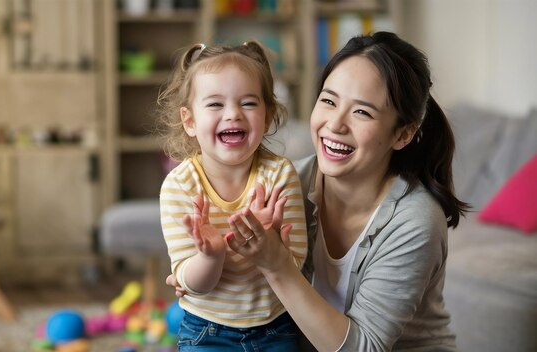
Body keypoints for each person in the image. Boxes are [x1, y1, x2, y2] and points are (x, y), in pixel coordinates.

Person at [173, 31, 469, 351]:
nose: (335, 124)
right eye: (328, 100)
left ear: (402, 134)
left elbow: (363, 347)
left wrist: (277, 265)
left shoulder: (415, 220)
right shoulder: (287, 183)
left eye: (362, 112)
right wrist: (198, 275)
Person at [157, 41, 308, 351]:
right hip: (207, 332)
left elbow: (296, 265)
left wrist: (269, 243)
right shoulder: (180, 186)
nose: (233, 114)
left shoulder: (279, 175)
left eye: (249, 103)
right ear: (190, 121)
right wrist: (211, 257)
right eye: (215, 104)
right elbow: (189, 284)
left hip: (276, 327)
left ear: (267, 118)